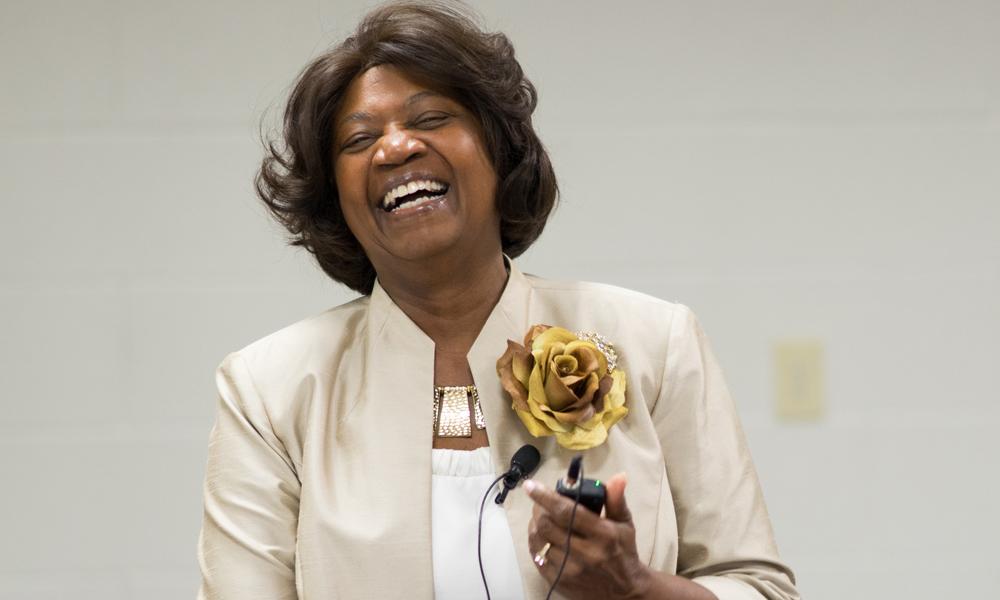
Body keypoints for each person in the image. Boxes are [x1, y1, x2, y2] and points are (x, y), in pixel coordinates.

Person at [196, 2, 799, 599]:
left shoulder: (652, 343)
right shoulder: (269, 392)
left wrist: (638, 590)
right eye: (359, 140)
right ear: (335, 199)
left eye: (430, 118)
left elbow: (760, 588)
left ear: (500, 149)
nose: (395, 148)